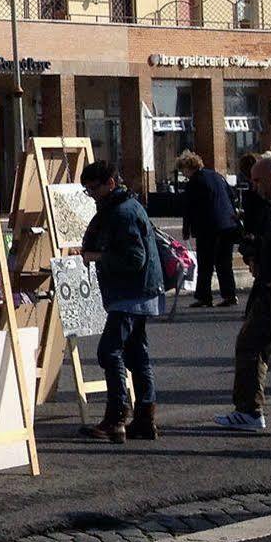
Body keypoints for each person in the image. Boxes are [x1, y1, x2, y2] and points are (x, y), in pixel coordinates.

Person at [79, 160, 165, 443]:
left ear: (111, 184)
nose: (91, 195)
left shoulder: (122, 212)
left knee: (109, 351)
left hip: (130, 294)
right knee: (136, 353)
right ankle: (145, 417)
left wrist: (98, 257)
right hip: (138, 292)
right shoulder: (125, 206)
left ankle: (117, 417)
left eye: (94, 189)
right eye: (87, 190)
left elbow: (135, 258)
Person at [213, 154, 271, 434]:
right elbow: (265, 239)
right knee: (249, 345)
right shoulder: (270, 206)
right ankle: (248, 411)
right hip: (267, 290)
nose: (255, 186)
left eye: (258, 180)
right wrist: (253, 255)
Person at [176, 151, 239, 308]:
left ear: (188, 167)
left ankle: (204, 296)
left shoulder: (194, 182)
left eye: (182, 170)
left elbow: (189, 208)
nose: (183, 173)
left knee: (205, 263)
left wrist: (186, 229)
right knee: (224, 262)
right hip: (228, 224)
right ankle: (229, 294)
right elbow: (232, 196)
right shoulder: (217, 176)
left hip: (208, 227)